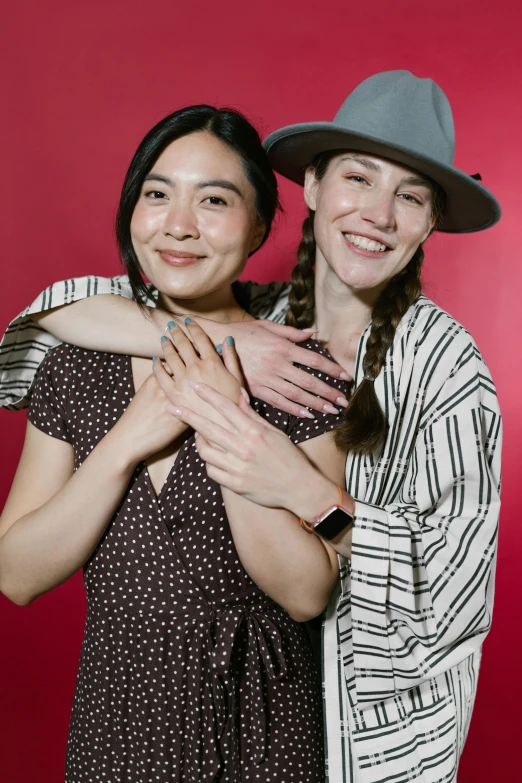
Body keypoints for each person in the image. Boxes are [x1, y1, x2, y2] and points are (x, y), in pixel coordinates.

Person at [0, 70, 502, 782]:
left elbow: (451, 592)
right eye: (359, 179)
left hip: (372, 728)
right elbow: (56, 312)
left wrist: (301, 488)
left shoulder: (446, 372)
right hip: (128, 725)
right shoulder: (256, 328)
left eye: (411, 196)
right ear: (315, 189)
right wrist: (219, 349)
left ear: (428, 223)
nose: (379, 214)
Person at [0, 105, 349, 782]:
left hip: (261, 720)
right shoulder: (77, 364)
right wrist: (129, 437)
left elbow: (308, 593)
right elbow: (16, 574)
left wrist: (225, 413)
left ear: (256, 229)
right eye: (157, 194)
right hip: (117, 714)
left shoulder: (301, 370)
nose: (179, 224)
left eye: (214, 200)